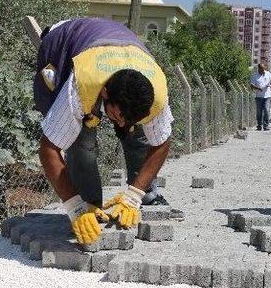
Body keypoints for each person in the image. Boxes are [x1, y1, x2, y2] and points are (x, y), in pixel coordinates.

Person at [34, 17, 173, 245]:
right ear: (106, 93)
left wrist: (134, 195)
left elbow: (161, 142)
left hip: (119, 46)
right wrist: (74, 207)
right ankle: (87, 205)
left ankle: (142, 197)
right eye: (117, 116)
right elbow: (49, 148)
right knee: (80, 138)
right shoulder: (82, 83)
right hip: (62, 46)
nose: (119, 124)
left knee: (137, 134)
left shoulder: (156, 91)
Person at [250, 63, 271, 131]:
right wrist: (258, 88)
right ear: (259, 69)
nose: (263, 71)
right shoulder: (255, 75)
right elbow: (251, 85)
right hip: (259, 96)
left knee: (266, 110)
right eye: (262, 69)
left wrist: (269, 84)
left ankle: (266, 126)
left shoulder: (268, 73)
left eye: (264, 69)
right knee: (259, 112)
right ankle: (259, 125)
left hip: (267, 96)